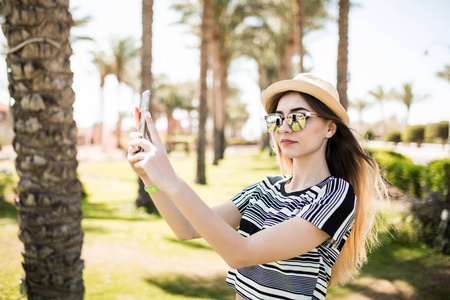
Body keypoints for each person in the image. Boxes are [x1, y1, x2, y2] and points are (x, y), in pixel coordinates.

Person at [127, 73, 387, 300]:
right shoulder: (266, 189)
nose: (284, 128)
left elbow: (240, 253)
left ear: (330, 128)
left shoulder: (336, 195)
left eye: (298, 118)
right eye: (277, 119)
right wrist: (150, 179)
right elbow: (185, 228)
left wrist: (172, 180)